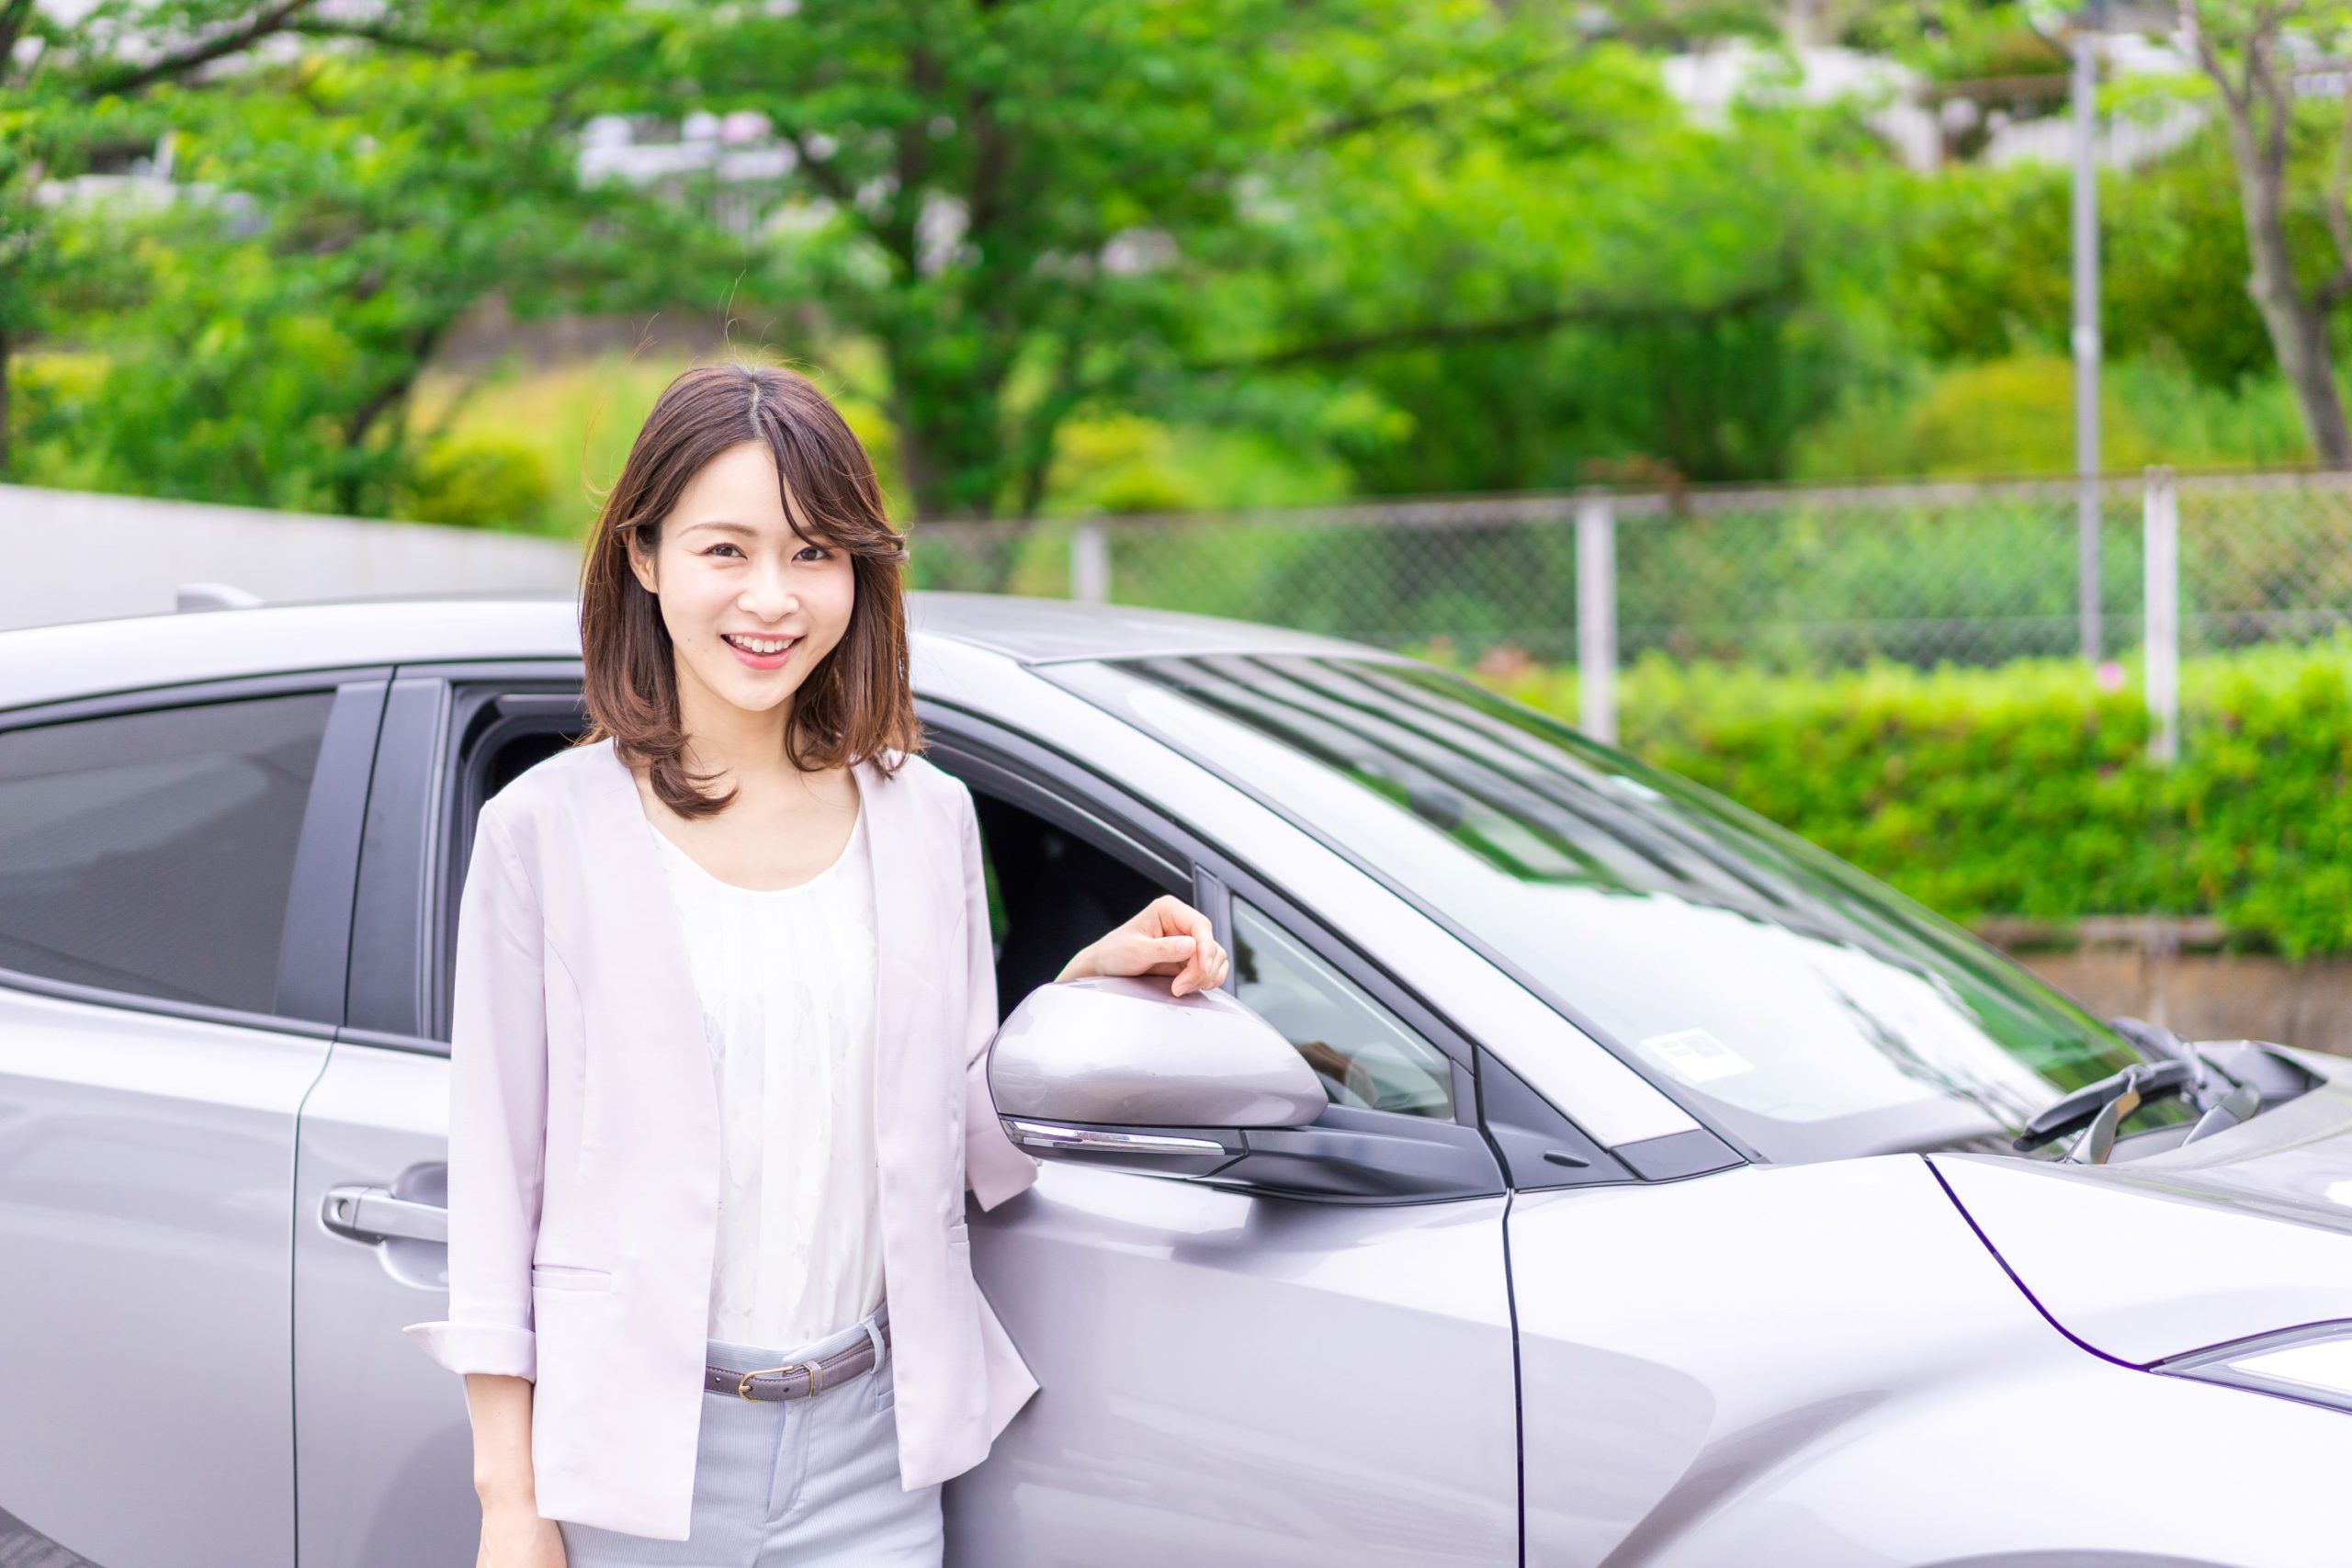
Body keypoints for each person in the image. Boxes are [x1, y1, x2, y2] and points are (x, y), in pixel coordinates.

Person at [401, 362, 1230, 1567]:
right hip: (638, 1460)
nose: (773, 598)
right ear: (644, 557)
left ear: (859, 570)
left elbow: (961, 1156)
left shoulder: (927, 817)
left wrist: (1085, 997)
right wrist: (509, 1503)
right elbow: (494, 1186)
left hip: (870, 1456)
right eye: (724, 550)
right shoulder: (545, 831)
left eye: (812, 553)